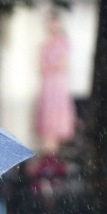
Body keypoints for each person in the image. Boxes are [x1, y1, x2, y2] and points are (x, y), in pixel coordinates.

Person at [35, 10, 76, 155]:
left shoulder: (62, 43)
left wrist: (50, 66)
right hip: (49, 86)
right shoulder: (45, 45)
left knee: (56, 121)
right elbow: (42, 67)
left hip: (57, 86)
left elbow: (62, 64)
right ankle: (49, 155)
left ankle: (52, 156)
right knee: (48, 124)